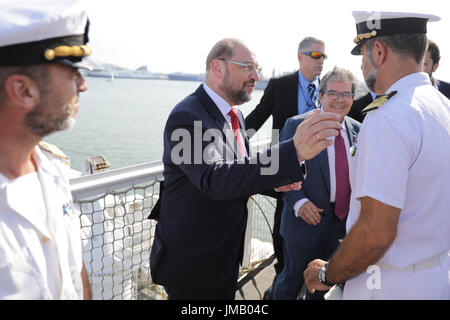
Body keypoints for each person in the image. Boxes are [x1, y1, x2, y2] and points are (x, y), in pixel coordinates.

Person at [149, 38, 341, 300]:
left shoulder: (235, 115)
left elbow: (239, 170)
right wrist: (292, 151)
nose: (256, 76)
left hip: (225, 256)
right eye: (247, 67)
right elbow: (214, 179)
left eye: (257, 68)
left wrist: (277, 183)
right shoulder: (187, 116)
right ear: (218, 67)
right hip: (192, 263)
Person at [304, 11, 450, 299]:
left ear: (379, 51)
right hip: (435, 279)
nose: (361, 66)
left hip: (387, 286)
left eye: (362, 55)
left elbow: (375, 234)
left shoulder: (389, 117)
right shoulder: (442, 105)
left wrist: (326, 273)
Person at [0, 0, 93, 299]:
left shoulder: (53, 172)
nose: (83, 85)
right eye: (72, 73)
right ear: (24, 90)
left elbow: (74, 275)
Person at [244, 37, 327, 298]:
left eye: (324, 56)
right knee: (284, 222)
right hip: (286, 169)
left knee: (321, 222)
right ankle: (284, 276)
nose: (321, 61)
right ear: (300, 56)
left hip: (323, 174)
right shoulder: (280, 86)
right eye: (315, 55)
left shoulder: (328, 88)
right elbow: (258, 115)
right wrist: (229, 143)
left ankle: (314, 275)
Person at [273, 67, 361, 300]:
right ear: (320, 96)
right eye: (333, 93)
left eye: (346, 94)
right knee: (290, 284)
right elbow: (279, 173)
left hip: (342, 228)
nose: (340, 99)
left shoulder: (359, 130)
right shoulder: (297, 125)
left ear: (353, 98)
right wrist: (299, 203)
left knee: (326, 288)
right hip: (305, 223)